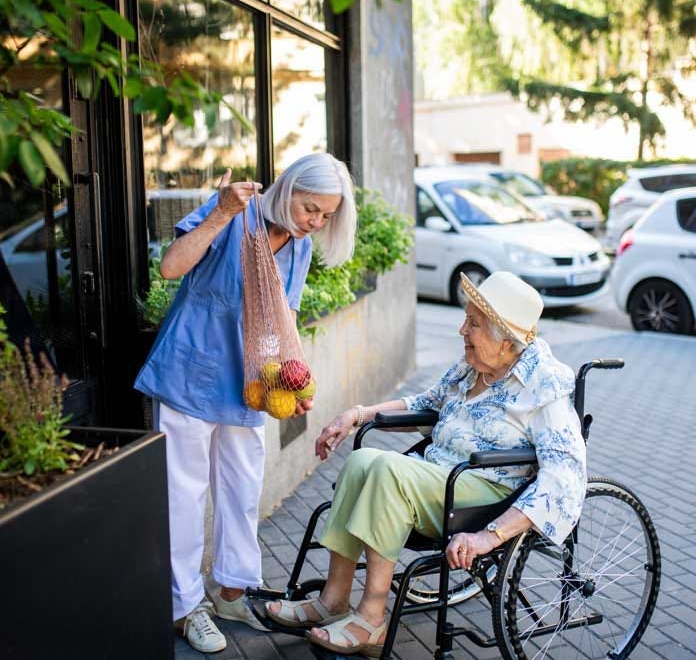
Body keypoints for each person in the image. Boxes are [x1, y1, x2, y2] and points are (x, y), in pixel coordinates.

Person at [265, 271, 587, 657]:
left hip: (487, 492)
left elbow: (564, 477)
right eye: (466, 318)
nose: (461, 330)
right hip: (439, 477)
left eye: (474, 323)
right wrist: (358, 414)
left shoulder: (544, 385)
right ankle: (333, 599)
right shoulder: (473, 366)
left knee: (388, 470)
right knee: (363, 460)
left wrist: (489, 537)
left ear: (507, 340)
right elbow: (426, 404)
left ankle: (372, 619)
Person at [134, 153, 357, 654]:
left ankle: (232, 589)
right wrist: (219, 213)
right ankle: (186, 606)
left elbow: (286, 321)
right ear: (289, 188)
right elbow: (171, 268)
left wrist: (296, 382)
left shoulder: (298, 248)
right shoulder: (236, 210)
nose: (315, 223)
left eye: (325, 216)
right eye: (310, 209)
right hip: (192, 371)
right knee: (185, 495)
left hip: (253, 381)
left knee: (241, 487)